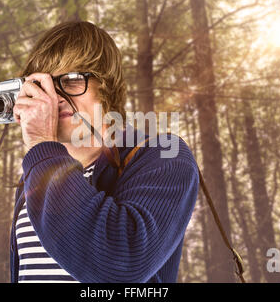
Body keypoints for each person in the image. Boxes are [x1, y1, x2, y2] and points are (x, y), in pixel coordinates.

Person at [10, 21, 199, 283]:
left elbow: (120, 267)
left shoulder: (165, 155)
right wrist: (42, 154)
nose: (56, 97)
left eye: (73, 80)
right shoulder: (37, 173)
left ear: (107, 86)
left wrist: (42, 146)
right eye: (46, 85)